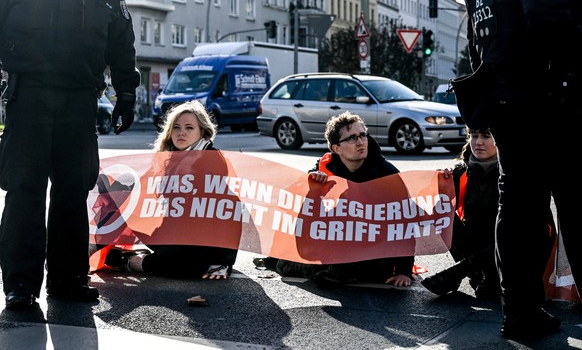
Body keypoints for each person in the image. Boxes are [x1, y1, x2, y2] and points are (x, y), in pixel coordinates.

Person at [0, 0, 140, 310]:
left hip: (80, 99)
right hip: (27, 96)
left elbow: (121, 38)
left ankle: (68, 279)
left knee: (72, 191)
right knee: (24, 189)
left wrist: (126, 94)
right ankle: (20, 283)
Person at [460, 0, 582, 339]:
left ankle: (520, 313)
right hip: (549, 101)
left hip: (504, 101)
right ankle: (523, 313)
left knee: (517, 208)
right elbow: (547, 16)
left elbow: (475, 41)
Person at [274, 111, 415, 288]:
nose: (360, 142)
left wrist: (404, 270)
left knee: (357, 268)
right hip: (339, 245)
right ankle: (330, 271)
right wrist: (313, 186)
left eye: (363, 135)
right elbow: (304, 211)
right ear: (336, 148)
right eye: (352, 138)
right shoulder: (324, 168)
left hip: (374, 250)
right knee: (284, 265)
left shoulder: (388, 174)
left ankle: (334, 272)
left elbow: (404, 222)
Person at [103, 100, 239, 280]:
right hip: (178, 233)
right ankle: (103, 250)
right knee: (121, 207)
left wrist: (224, 260)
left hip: (207, 240)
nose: (181, 132)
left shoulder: (213, 158)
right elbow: (146, 193)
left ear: (202, 132)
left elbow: (221, 210)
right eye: (176, 127)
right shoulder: (168, 159)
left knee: (188, 265)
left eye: (189, 128)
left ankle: (135, 262)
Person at [421, 128, 556, 300]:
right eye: (474, 136)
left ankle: (465, 271)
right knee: (442, 213)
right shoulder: (461, 172)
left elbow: (537, 231)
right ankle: (478, 274)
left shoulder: (520, 174)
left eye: (486, 136)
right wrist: (439, 186)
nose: (478, 142)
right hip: (479, 245)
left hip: (519, 251)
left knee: (513, 228)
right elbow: (426, 206)